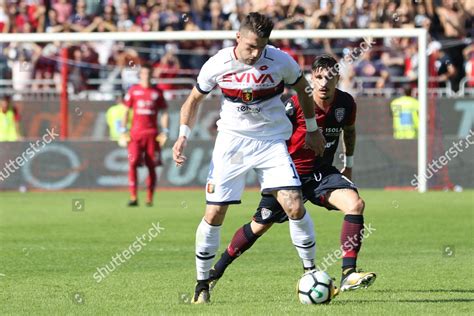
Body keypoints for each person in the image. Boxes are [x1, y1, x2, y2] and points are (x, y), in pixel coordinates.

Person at [172, 12, 326, 304]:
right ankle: (202, 285)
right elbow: (193, 101)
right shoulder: (217, 64)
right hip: (232, 143)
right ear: (238, 38)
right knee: (214, 214)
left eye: (262, 47)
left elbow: (304, 90)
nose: (256, 54)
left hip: (271, 142)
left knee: (293, 205)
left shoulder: (280, 60)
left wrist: (313, 129)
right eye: (251, 46)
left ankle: (310, 272)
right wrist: (182, 135)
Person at [208, 55, 376, 293]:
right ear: (311, 78)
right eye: (318, 77)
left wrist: (348, 163)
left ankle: (348, 273)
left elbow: (349, 131)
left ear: (339, 78)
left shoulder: (346, 103)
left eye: (330, 77)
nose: (324, 83)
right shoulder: (294, 104)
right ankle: (215, 272)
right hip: (287, 175)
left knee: (355, 204)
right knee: (259, 226)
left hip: (320, 174)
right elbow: (268, 132)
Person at [122, 64, 169, 207]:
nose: (146, 76)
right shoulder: (134, 91)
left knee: (151, 164)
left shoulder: (157, 92)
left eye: (148, 73)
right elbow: (125, 110)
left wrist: (165, 131)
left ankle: (149, 198)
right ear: (140, 75)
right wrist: (123, 130)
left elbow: (164, 112)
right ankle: (133, 196)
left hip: (152, 134)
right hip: (135, 134)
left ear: (151, 75)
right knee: (133, 161)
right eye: (143, 73)